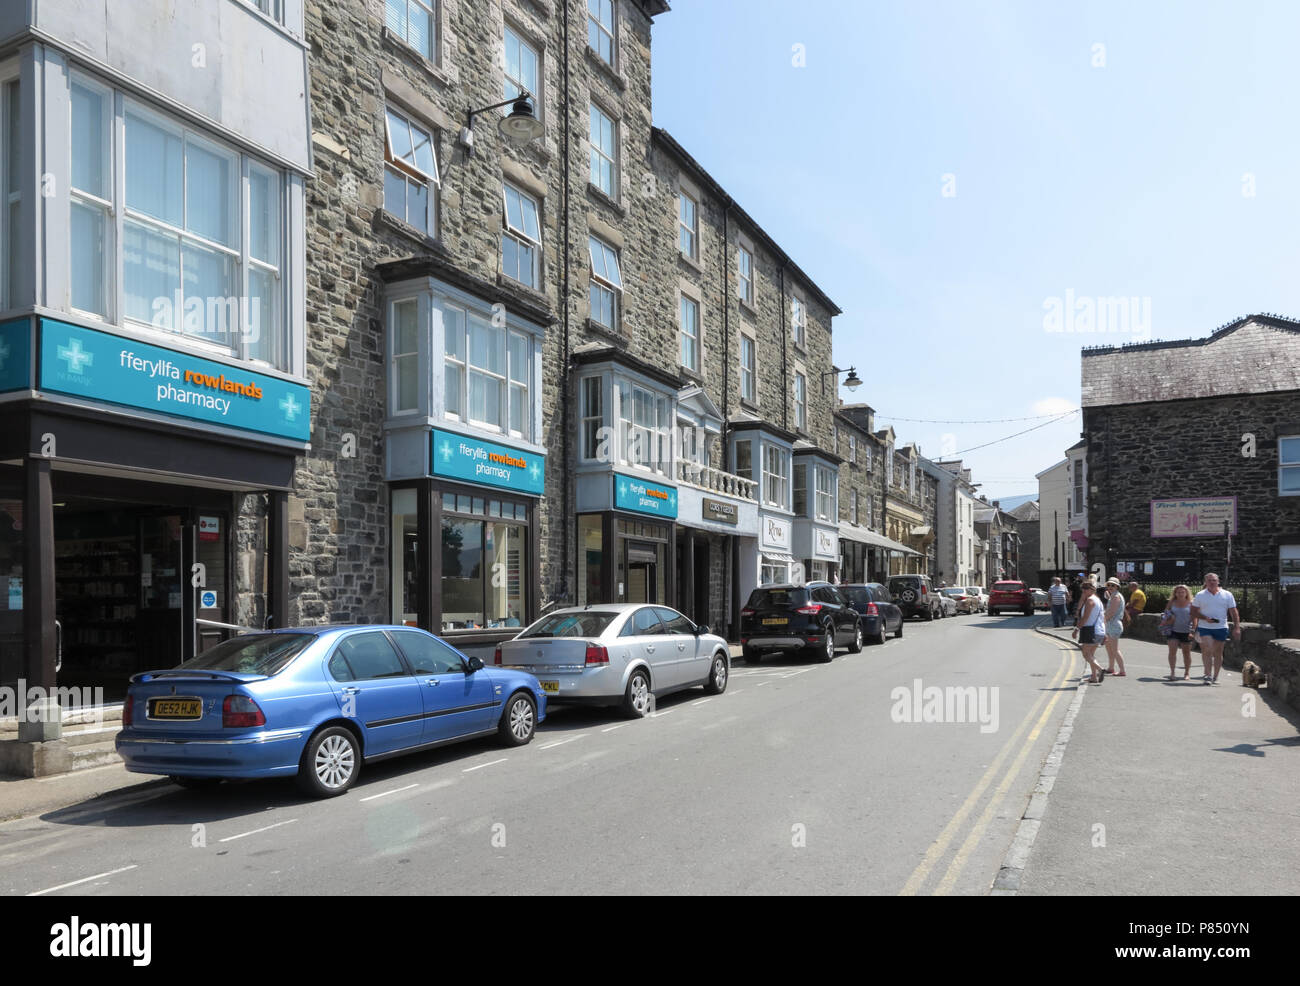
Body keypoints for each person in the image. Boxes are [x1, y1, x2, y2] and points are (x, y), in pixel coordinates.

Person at [1191, 572, 1240, 684]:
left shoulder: (1227, 594)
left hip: (1221, 627)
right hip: (1205, 627)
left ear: (1218, 581)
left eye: (1214, 580)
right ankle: (1207, 675)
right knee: (1208, 649)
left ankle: (1215, 676)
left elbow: (1233, 611)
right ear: (1206, 582)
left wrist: (1237, 627)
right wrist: (1204, 618)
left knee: (1218, 652)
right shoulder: (1200, 595)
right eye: (1209, 580)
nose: (1212, 582)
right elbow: (1193, 612)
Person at [1071, 581, 1107, 683]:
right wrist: (1105, 633)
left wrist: (1076, 629)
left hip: (1091, 631)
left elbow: (1085, 618)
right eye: (1083, 588)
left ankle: (1100, 669)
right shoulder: (1098, 601)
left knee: (1085, 654)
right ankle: (1094, 677)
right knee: (1091, 654)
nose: (1083, 590)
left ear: (1092, 589)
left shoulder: (1090, 601)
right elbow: (1103, 618)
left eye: (1086, 588)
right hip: (1099, 630)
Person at [1161, 584, 1194, 680]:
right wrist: (1168, 619)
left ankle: (1187, 673)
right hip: (1173, 630)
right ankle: (1172, 673)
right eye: (1178, 592)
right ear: (1175, 593)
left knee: (1186, 653)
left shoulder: (1191, 603)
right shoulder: (1171, 602)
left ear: (1186, 593)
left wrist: (1192, 631)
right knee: (1172, 652)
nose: (1180, 594)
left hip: (1186, 631)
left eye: (1183, 592)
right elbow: (1165, 613)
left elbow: (1194, 618)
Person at [1102, 577, 1127, 676]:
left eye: (1113, 585)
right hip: (1110, 625)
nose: (1110, 587)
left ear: (1117, 586)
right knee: (1109, 648)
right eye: (1108, 585)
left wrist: (1102, 621)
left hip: (1113, 625)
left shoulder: (1116, 596)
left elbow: (1111, 612)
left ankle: (1122, 670)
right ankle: (1111, 668)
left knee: (1115, 649)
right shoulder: (1113, 595)